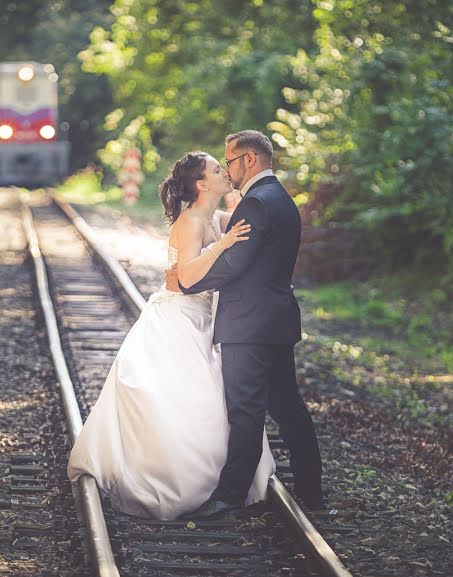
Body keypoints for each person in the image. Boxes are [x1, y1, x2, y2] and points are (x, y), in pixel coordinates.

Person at [67, 151, 276, 520]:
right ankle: (172, 477)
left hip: (201, 317)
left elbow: (246, 222)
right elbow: (187, 279)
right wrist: (222, 246)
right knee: (183, 396)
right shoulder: (190, 222)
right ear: (201, 184)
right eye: (216, 169)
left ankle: (219, 481)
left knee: (211, 397)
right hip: (179, 316)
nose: (224, 172)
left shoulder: (213, 216)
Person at [167, 130, 323, 518]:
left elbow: (234, 264)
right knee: (289, 408)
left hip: (248, 326)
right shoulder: (282, 199)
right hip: (276, 320)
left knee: (246, 411)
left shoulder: (256, 203)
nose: (229, 170)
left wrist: (187, 282)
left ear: (249, 160)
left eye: (230, 162)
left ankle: (229, 497)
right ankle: (312, 494)